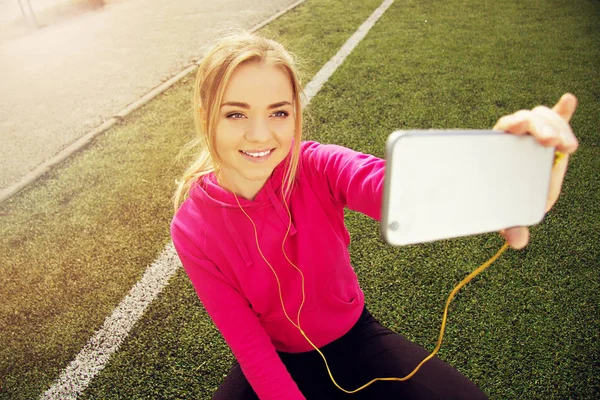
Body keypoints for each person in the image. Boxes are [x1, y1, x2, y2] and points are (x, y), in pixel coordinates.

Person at [170, 33, 578, 400]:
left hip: (352, 338)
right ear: (206, 113)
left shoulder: (317, 166)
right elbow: (249, 345)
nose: (260, 135)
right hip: (272, 357)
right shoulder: (191, 227)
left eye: (279, 113)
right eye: (236, 114)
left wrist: (510, 179)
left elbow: (406, 191)